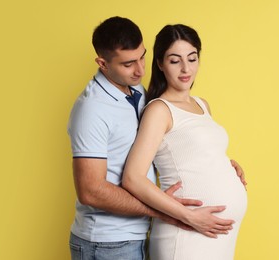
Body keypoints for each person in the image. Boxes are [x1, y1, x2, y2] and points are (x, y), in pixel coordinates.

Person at [67, 17, 245, 260]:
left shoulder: (137, 91)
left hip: (141, 231)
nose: (140, 70)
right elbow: (91, 191)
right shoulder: (92, 109)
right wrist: (169, 212)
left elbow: (176, 146)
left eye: (142, 57)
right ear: (103, 63)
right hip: (108, 240)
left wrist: (223, 167)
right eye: (129, 63)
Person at [122, 24, 248, 260]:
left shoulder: (202, 104)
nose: (185, 69)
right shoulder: (160, 110)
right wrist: (189, 216)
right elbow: (132, 177)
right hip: (187, 233)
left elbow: (194, 153)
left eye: (192, 58)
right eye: (174, 60)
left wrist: (227, 165)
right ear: (160, 63)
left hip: (217, 235)